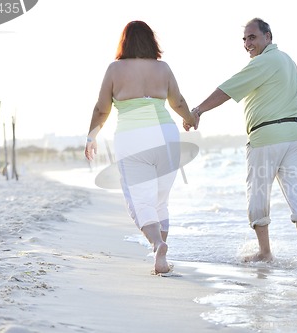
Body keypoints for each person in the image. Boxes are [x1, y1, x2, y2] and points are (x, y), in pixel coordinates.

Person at [184, 18, 297, 270]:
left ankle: (265, 253)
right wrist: (287, 120)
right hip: (295, 135)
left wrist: (198, 110)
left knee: (257, 198)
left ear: (268, 36)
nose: (247, 44)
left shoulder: (263, 62)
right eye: (244, 39)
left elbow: (228, 89)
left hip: (265, 139)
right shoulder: (288, 61)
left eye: (252, 37)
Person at [85, 21, 197, 274]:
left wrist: (91, 137)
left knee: (140, 200)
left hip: (132, 138)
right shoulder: (162, 68)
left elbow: (102, 109)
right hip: (167, 136)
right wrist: (190, 119)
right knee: (161, 200)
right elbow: (177, 101)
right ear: (151, 41)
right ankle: (162, 256)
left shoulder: (115, 69)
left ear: (124, 42)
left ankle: (157, 245)